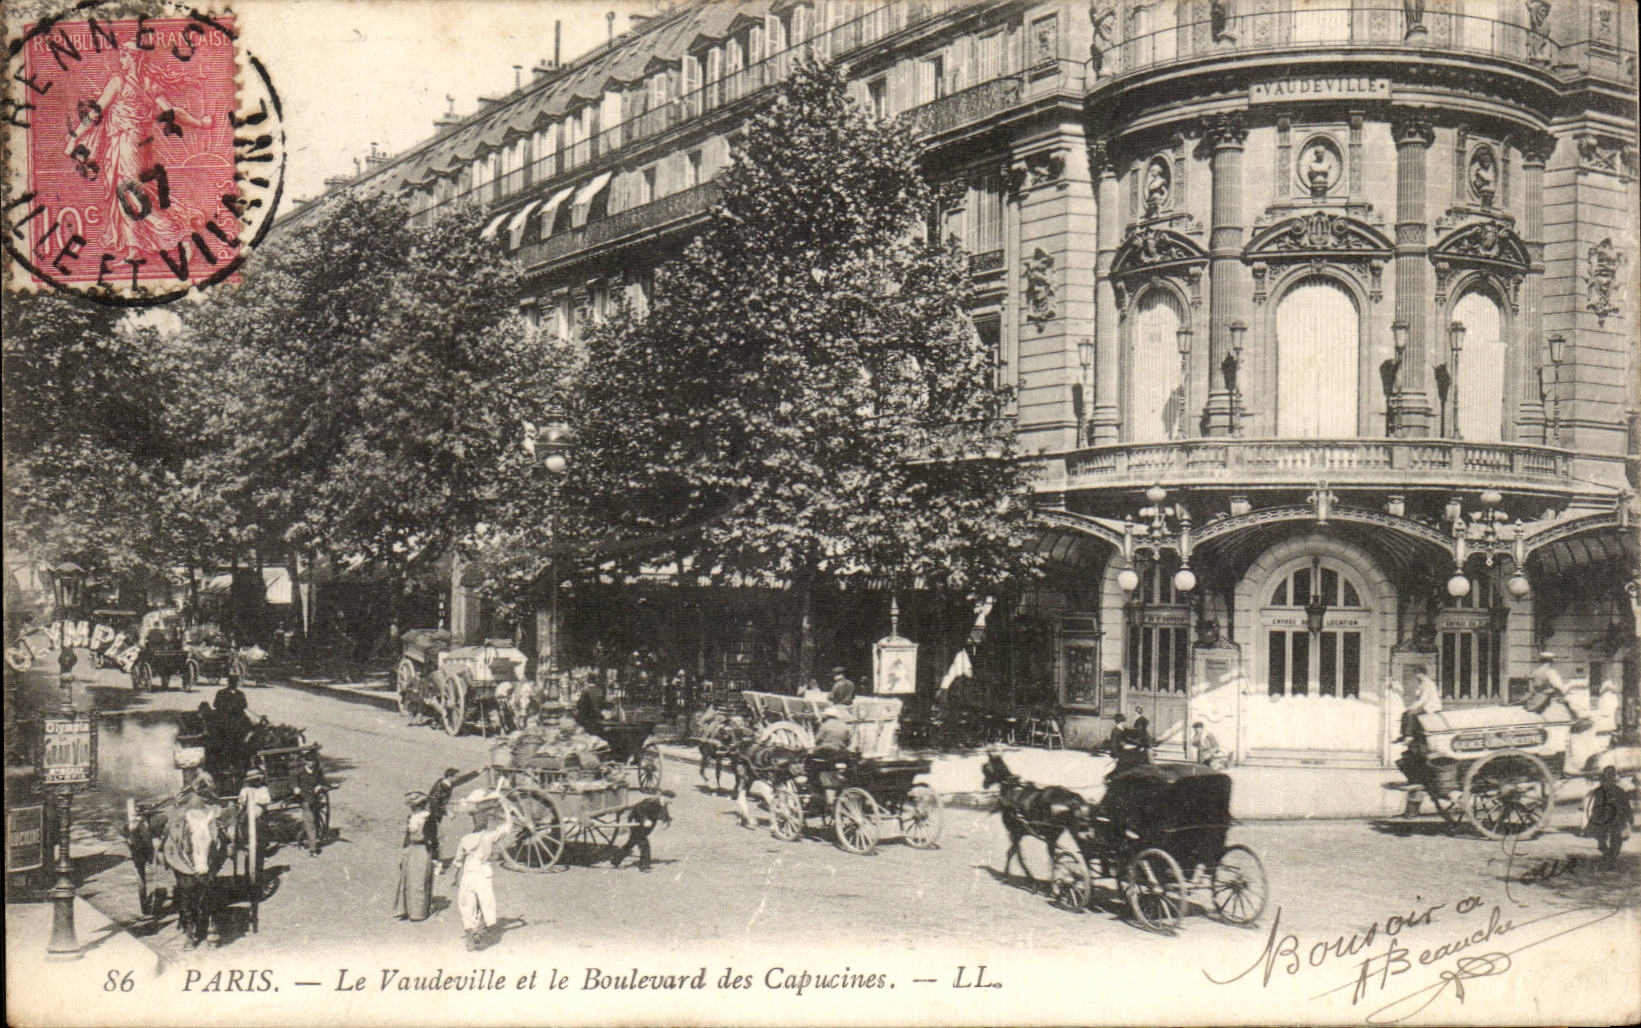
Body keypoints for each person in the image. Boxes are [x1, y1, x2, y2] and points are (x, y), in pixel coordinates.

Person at [70, 43, 213, 259]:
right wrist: (199, 123)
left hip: (128, 144)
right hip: (132, 144)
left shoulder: (120, 82)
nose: (121, 61)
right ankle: (134, 249)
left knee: (133, 195)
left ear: (136, 58)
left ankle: (180, 235)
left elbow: (96, 113)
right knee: (127, 194)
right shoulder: (148, 83)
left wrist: (76, 136)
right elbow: (172, 112)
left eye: (125, 56)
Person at [446, 790, 516, 950]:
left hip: (469, 874)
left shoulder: (465, 839)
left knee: (467, 903)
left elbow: (458, 862)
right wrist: (506, 807)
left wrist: (455, 878)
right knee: (485, 902)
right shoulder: (490, 837)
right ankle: (481, 929)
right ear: (486, 821)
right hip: (484, 873)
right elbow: (508, 827)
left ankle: (470, 934)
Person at [393, 791, 436, 921]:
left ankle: (418, 913)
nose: (413, 807)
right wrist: (405, 850)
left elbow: (434, 838)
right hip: (411, 849)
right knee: (408, 879)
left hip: (423, 850)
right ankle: (405, 910)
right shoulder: (411, 817)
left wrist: (435, 856)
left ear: (421, 804)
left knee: (419, 881)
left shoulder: (428, 817)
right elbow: (408, 835)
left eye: (415, 805)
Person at [1583, 766, 1634, 867]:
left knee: (1608, 840)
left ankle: (1610, 858)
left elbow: (1596, 807)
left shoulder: (1611, 790)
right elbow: (1626, 806)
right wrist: (1630, 818)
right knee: (1610, 840)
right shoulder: (1617, 790)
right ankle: (1610, 857)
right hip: (1610, 819)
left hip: (1611, 819)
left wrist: (1594, 819)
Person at [608, 793, 672, 872]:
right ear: (665, 797)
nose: (671, 802)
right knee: (644, 844)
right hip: (637, 823)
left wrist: (667, 821)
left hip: (644, 827)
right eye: (671, 799)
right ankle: (644, 866)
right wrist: (644, 820)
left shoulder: (663, 803)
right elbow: (638, 809)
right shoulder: (651, 801)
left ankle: (615, 861)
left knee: (631, 843)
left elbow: (664, 814)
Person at [292, 750, 327, 857]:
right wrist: (296, 788)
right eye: (308, 761)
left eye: (312, 761)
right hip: (304, 799)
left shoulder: (317, 771)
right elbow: (293, 781)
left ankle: (303, 834)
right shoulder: (300, 771)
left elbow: (322, 781)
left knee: (311, 821)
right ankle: (313, 849)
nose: (311, 763)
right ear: (305, 761)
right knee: (310, 822)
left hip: (314, 799)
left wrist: (319, 786)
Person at [1396, 666, 1442, 743]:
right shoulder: (1422, 684)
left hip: (1431, 706)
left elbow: (1423, 699)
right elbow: (1418, 698)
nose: (1415, 676)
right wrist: (1412, 707)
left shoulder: (1428, 683)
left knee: (1410, 713)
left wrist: (1413, 707)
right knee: (1405, 713)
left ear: (1422, 674)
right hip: (1424, 705)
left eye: (1417, 674)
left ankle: (1409, 735)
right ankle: (1403, 735)